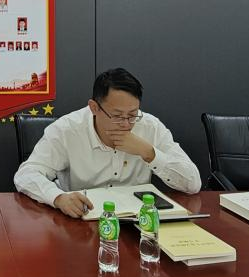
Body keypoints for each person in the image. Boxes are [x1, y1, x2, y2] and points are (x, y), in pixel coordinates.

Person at [14, 68, 202, 217]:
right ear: (94, 108)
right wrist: (58, 197)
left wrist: (149, 153)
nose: (126, 124)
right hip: (81, 221)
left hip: (138, 221)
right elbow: (26, 174)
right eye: (117, 116)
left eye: (133, 115)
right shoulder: (67, 130)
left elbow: (192, 183)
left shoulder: (150, 127)